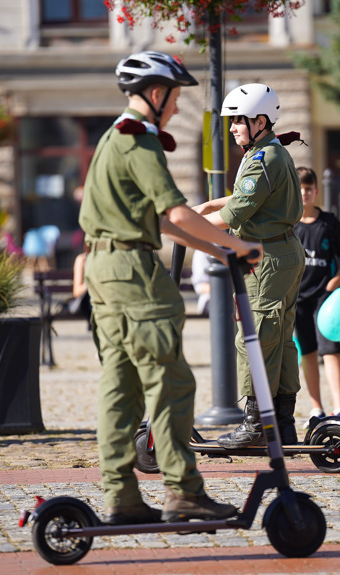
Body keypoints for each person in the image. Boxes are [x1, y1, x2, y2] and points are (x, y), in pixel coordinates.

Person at [78, 50, 262, 524]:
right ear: (156, 94)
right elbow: (176, 212)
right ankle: (184, 490)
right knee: (172, 381)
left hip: (105, 269)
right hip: (133, 274)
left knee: (120, 386)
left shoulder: (112, 139)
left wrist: (221, 250)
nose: (178, 108)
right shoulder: (138, 142)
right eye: (176, 97)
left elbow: (161, 222)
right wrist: (238, 247)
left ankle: (121, 496)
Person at [195, 83, 305, 448]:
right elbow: (246, 195)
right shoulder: (266, 152)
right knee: (280, 340)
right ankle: (283, 424)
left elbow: (238, 212)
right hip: (283, 252)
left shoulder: (265, 158)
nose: (231, 128)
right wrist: (208, 206)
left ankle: (256, 426)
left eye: (237, 121)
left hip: (269, 258)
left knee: (255, 339)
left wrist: (184, 225)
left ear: (260, 121)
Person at [294, 167, 340, 423]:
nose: (304, 193)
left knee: (331, 351)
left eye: (308, 188)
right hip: (299, 300)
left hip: (325, 300)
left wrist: (338, 280)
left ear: (316, 191)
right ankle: (316, 407)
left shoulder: (329, 222)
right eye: (300, 188)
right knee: (308, 353)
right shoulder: (288, 224)